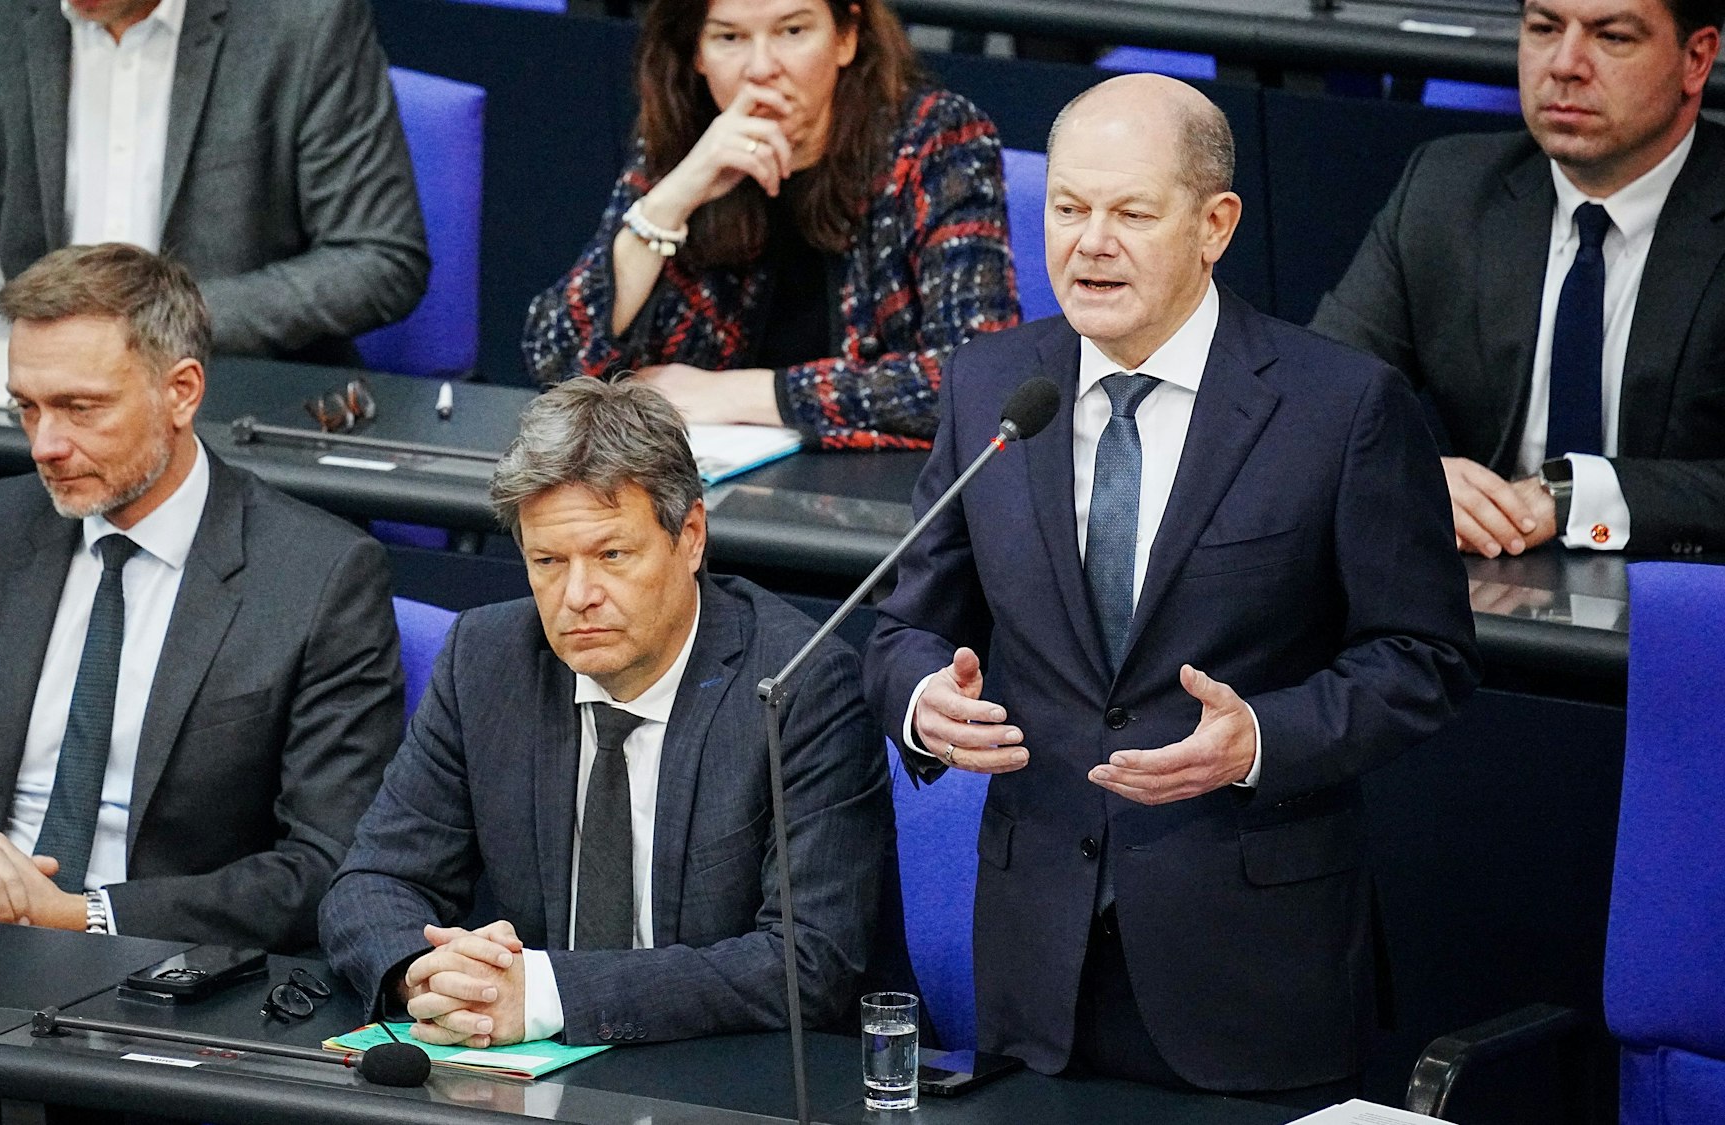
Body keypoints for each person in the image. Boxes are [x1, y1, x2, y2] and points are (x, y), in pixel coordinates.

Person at [862, 75, 1480, 1101]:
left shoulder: (1339, 407)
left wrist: (1261, 739)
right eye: (1066, 208)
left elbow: (1423, 660)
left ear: (1214, 224)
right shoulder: (992, 388)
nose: (1088, 242)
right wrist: (927, 704)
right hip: (1033, 962)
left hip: (1247, 963)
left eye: (1129, 213)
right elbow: (898, 629)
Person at [0, 244, 403, 952]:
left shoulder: (318, 576)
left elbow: (324, 865)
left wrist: (83, 914)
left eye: (79, 408)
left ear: (181, 392)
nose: (44, 445)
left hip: (160, 969)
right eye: (26, 407)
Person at [320, 377, 891, 1047]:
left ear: (691, 536)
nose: (578, 594)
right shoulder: (486, 659)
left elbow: (809, 961)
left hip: (724, 1079)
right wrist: (428, 975)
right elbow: (372, 879)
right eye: (548, 561)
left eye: (612, 554)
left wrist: (546, 994)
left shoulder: (799, 681)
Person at [1312, 0, 1725, 557]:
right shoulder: (1447, 189)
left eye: (1613, 37)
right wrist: (1402, 471)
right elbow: (1309, 398)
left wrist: (1574, 497)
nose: (1565, 64)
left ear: (1696, 59)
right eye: (1544, 28)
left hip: (1685, 604)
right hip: (1484, 597)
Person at [522, 0, 1017, 451]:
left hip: (880, 505)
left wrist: (747, 394)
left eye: (792, 31)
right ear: (695, 52)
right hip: (705, 499)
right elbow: (556, 361)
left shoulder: (936, 139)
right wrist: (671, 200)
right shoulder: (683, 140)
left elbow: (977, 379)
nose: (761, 68)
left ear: (846, 38)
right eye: (729, 38)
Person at [0, 0, 428, 364]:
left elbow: (377, 256)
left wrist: (158, 327)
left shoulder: (305, 19)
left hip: (221, 397)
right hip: (21, 398)